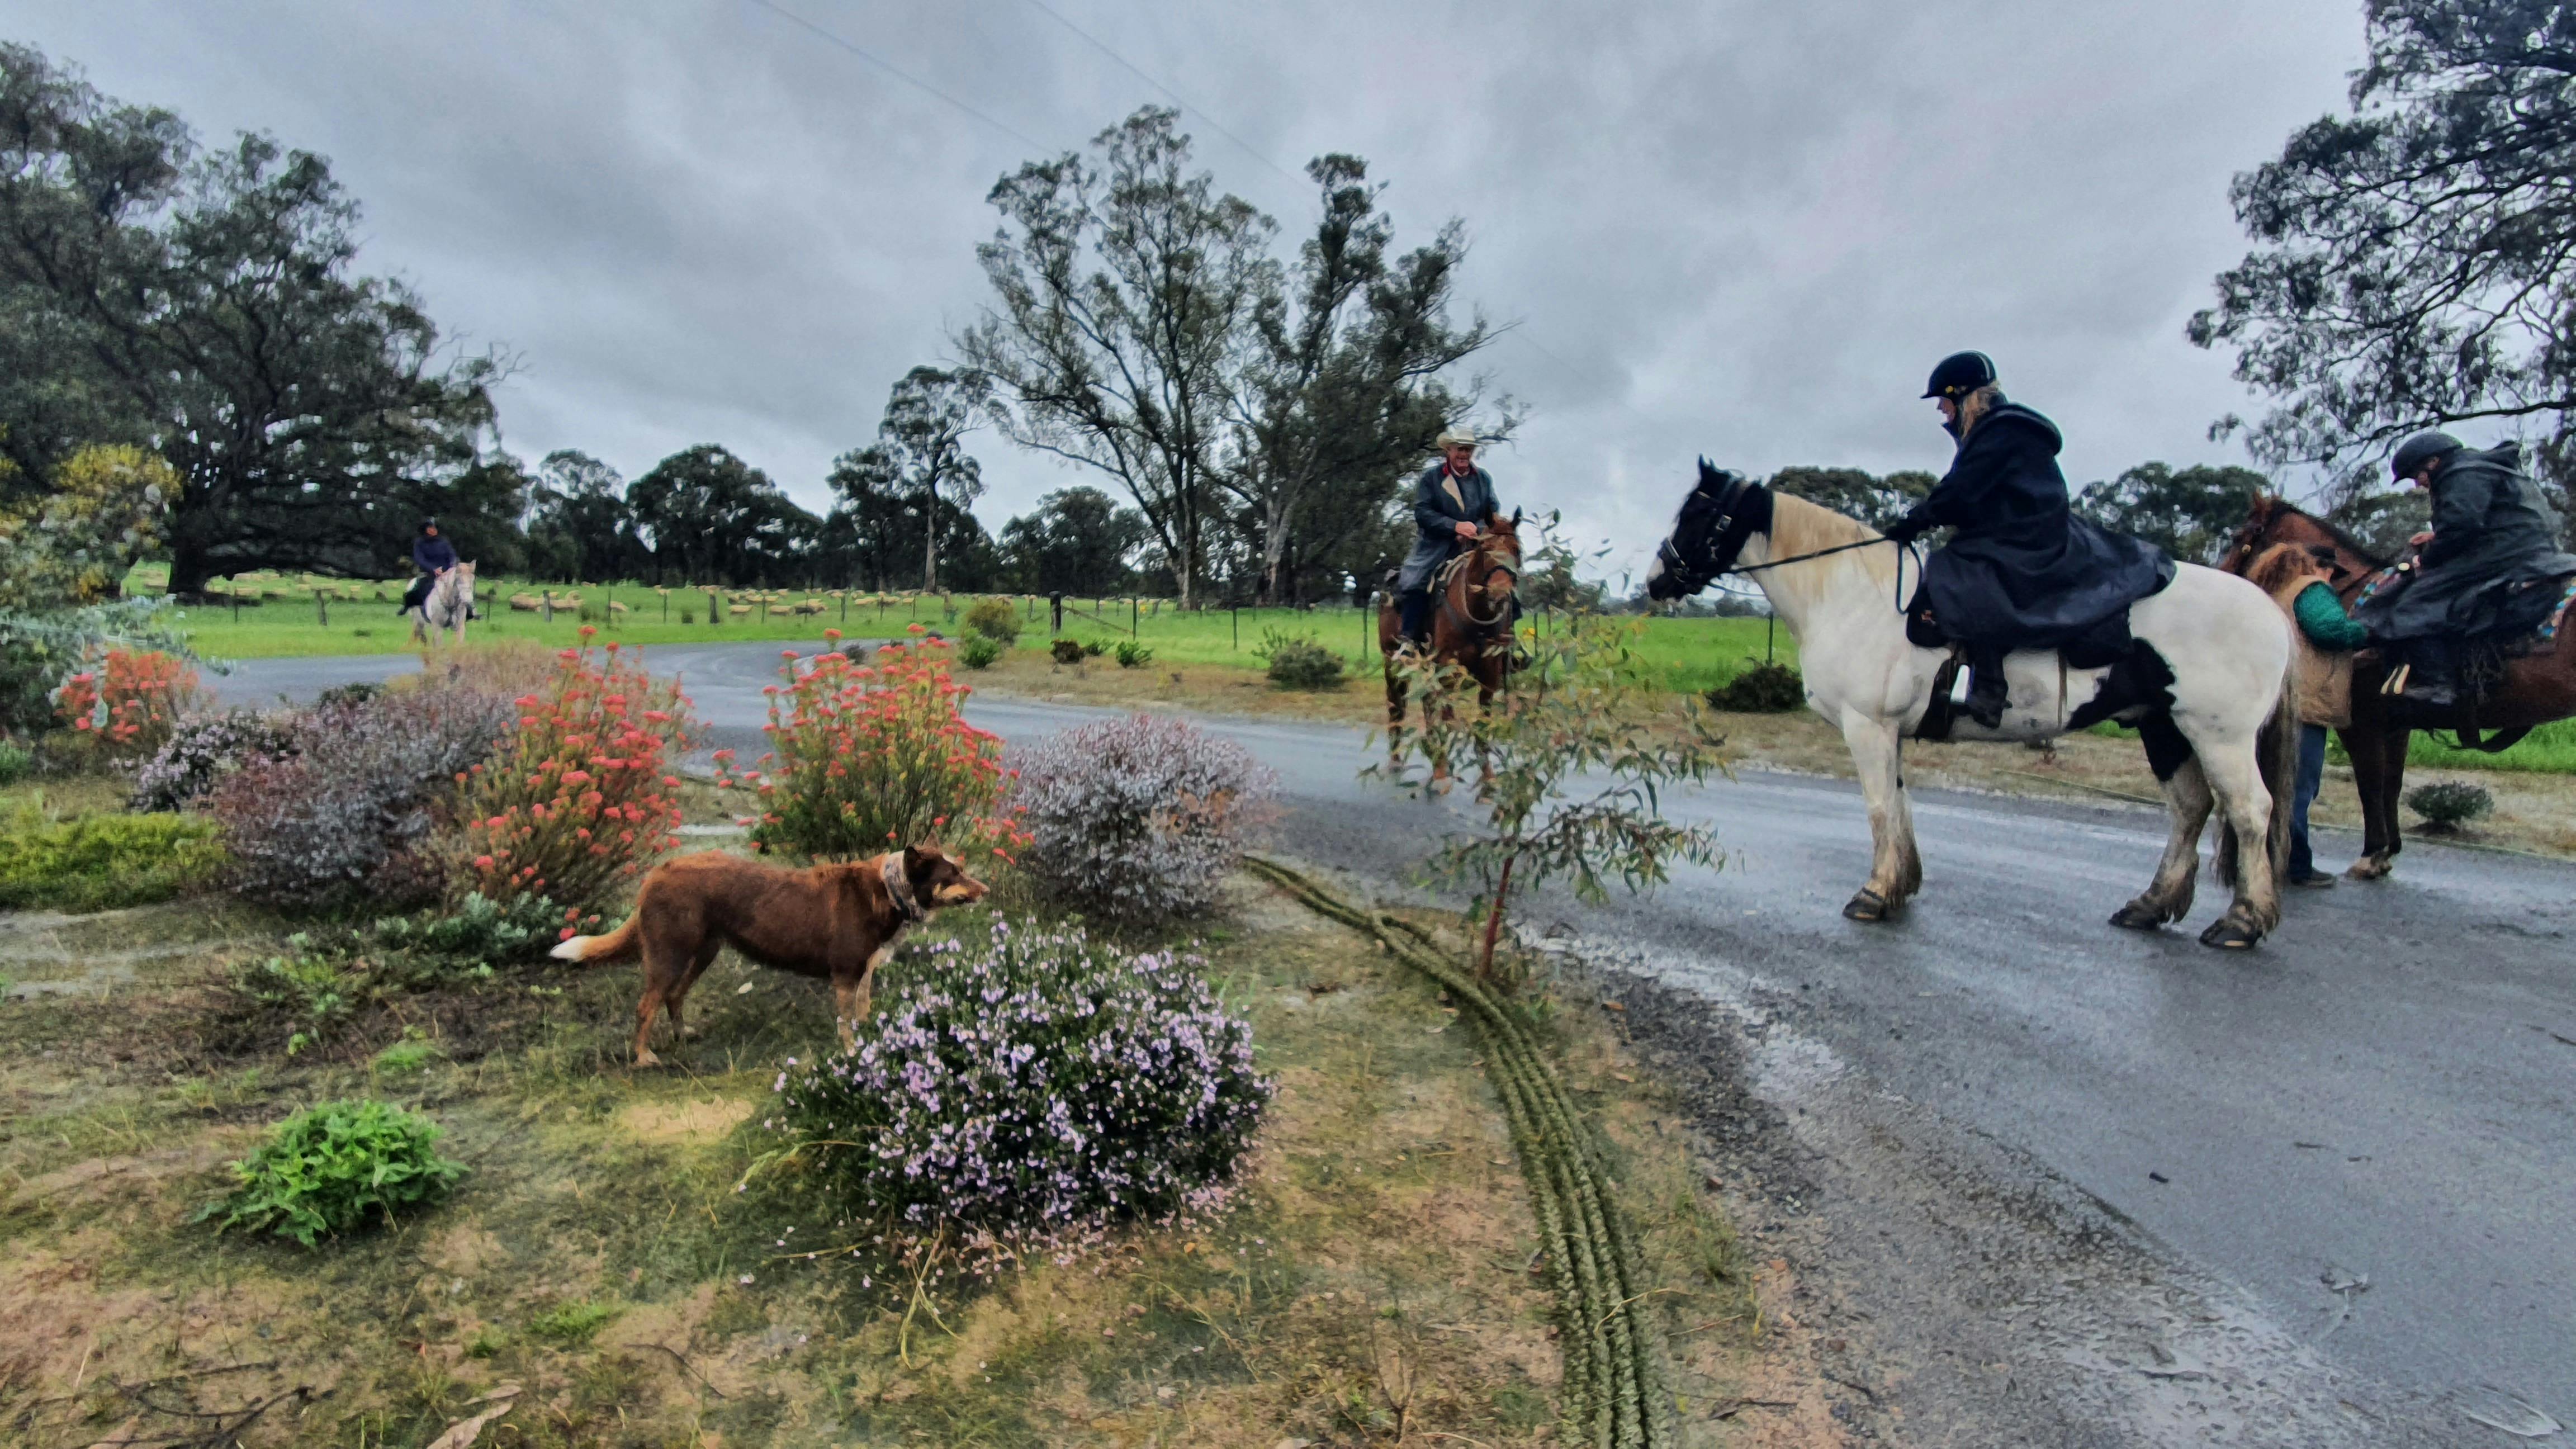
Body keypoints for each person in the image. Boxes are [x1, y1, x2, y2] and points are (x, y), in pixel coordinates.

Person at [1881, 352, 2171, 729]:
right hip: (2020, 529)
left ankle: (1988, 688)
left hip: (2029, 537)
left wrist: (1913, 522)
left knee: (1960, 573)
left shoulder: (2000, 432)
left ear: (1965, 396)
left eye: (1945, 402)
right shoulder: (1996, 430)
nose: (1941, 411)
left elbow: (1962, 491)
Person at [2352, 431, 2576, 706]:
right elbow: (2493, 518)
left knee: (2412, 604)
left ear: (2433, 462)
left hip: (2502, 556)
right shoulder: (2484, 468)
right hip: (2525, 549)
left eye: (2416, 475)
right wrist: (2436, 536)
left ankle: (2438, 683)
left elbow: (2462, 527)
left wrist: (2428, 557)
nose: (2419, 484)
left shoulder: (2462, 474)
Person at [2248, 542, 2365, 887]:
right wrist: (2370, 632)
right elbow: (2329, 630)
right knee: (2298, 788)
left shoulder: (2275, 594)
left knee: (2270, 783)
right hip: (2305, 705)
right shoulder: (2313, 589)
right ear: (2324, 568)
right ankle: (2294, 865)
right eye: (2333, 575)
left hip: (2271, 701)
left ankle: (2261, 858)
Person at [1395, 429, 1506, 650]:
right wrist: (1454, 526)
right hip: (1436, 546)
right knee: (1415, 582)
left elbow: (1492, 512)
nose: (1465, 454)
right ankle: (1409, 640)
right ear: (1449, 450)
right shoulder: (1431, 478)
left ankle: (1508, 641)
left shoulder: (1483, 478)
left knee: (1503, 580)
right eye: (1460, 449)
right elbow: (1423, 513)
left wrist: (1476, 530)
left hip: (1475, 545)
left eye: (1469, 449)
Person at [400, 518, 457, 615]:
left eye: (434, 528)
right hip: (428, 573)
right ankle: (411, 606)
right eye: (430, 528)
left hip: (447, 573)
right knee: (416, 589)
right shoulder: (420, 543)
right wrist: (433, 569)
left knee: (463, 588)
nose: (433, 530)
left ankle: (469, 611)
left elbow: (452, 555)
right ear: (426, 529)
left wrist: (451, 567)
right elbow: (420, 559)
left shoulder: (444, 542)